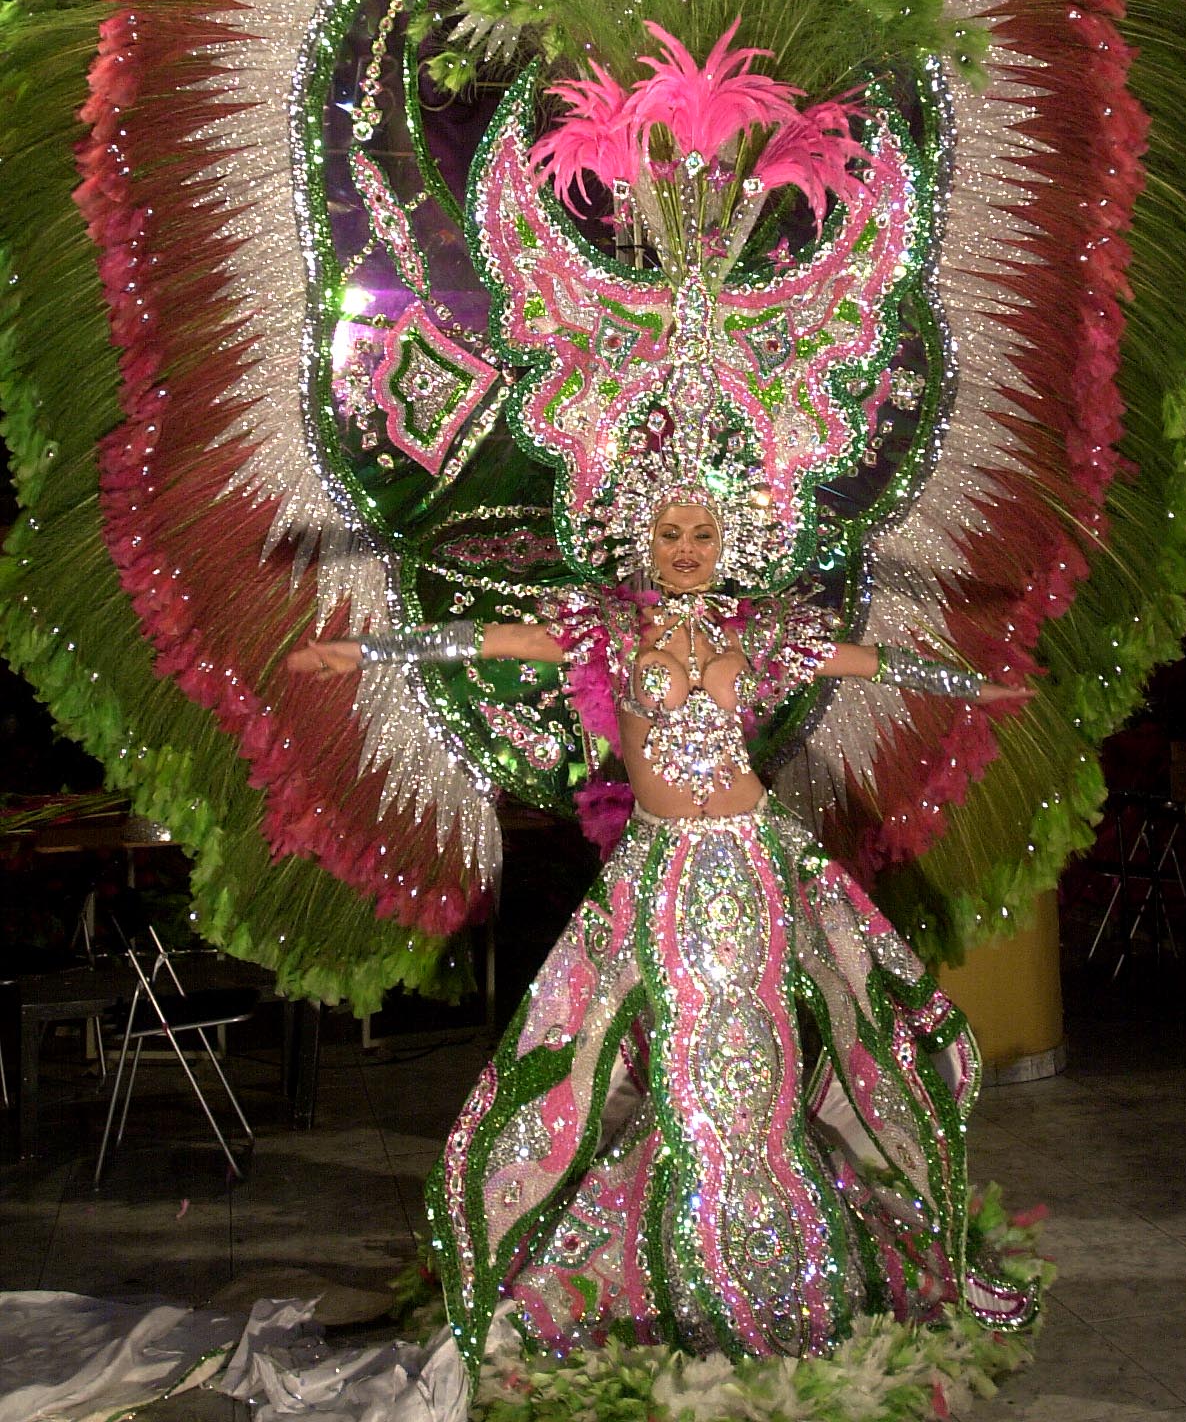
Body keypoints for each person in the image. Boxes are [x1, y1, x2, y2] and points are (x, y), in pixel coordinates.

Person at [289, 493, 1035, 1377]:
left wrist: (973, 685)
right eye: (670, 534)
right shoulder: (605, 631)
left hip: (755, 865)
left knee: (762, 1065)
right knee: (690, 1069)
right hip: (669, 874)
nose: (686, 551)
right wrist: (365, 652)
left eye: (703, 535)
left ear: (729, 543)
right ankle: (687, 1273)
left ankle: (794, 1267)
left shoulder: (758, 635)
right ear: (643, 541)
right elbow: (492, 641)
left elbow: (867, 662)